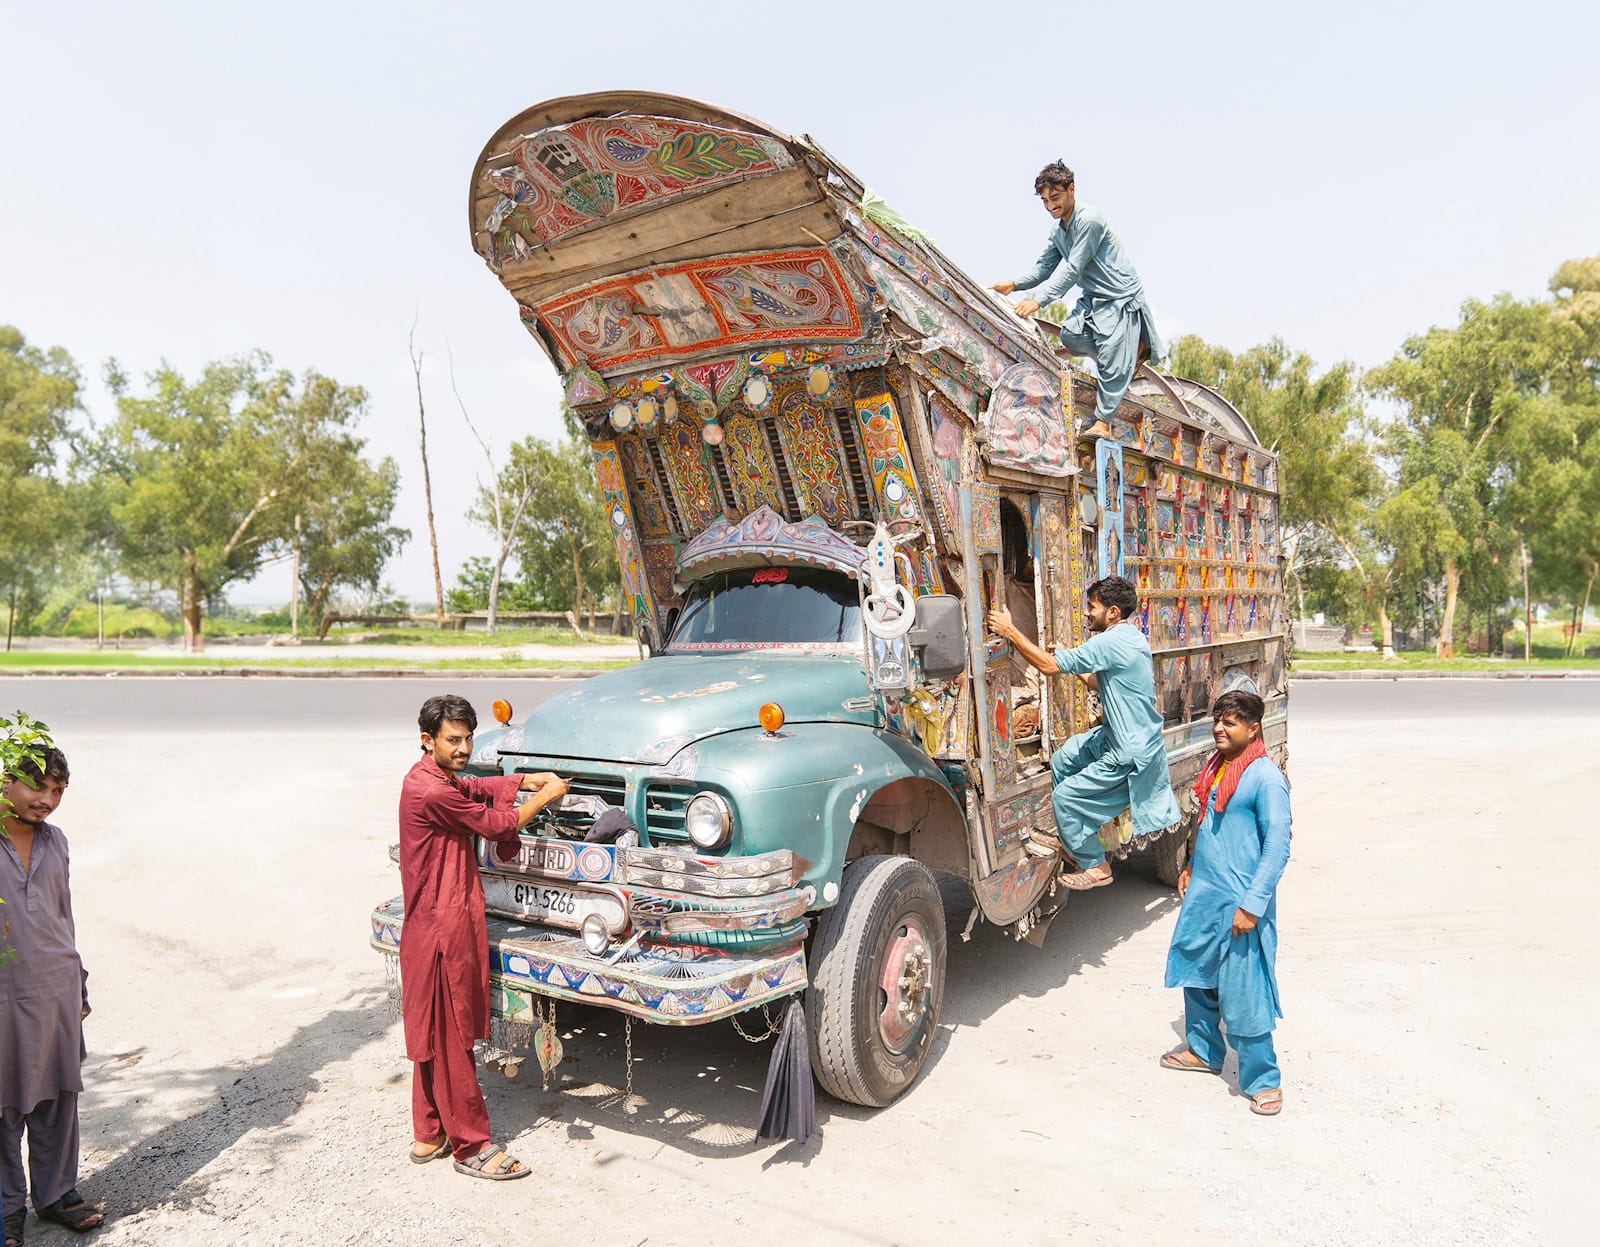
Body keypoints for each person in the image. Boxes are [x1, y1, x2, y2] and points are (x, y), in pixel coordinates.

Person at [399, 694, 568, 1181]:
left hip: (429, 924)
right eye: (454, 740)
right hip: (441, 929)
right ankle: (471, 1146)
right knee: (451, 1037)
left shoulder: (431, 779)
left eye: (469, 738)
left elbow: (474, 786)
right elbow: (498, 822)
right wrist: (541, 797)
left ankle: (429, 1132)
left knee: (433, 1030)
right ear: (427, 741)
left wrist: (519, 780)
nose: (465, 747)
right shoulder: (431, 792)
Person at [987, 575, 1179, 891]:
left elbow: (1048, 667)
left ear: (1113, 612)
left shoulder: (1111, 641)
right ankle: (1072, 839)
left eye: (1092, 607)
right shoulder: (1129, 638)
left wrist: (1009, 631)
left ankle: (1096, 865)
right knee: (1065, 758)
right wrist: (1072, 663)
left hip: (1129, 751)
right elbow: (1101, 682)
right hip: (1115, 736)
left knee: (1065, 797)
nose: (1088, 613)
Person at [1161, 689, 1290, 1116]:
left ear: (1253, 729)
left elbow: (1277, 848)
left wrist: (1252, 905)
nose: (1219, 727)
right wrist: (1191, 864)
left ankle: (1262, 1079)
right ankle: (1204, 1050)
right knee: (1196, 970)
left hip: (1241, 900)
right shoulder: (1217, 768)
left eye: (1230, 722)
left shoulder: (1266, 778)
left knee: (1244, 987)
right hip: (1205, 893)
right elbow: (1208, 821)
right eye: (1217, 719)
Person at [2, 746, 105, 1243]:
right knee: (3, 1100)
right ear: (4, 780)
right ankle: (6, 1208)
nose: (47, 800)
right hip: (4, 991)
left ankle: (55, 1193)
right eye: (35, 785)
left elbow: (61, 914)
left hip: (55, 984)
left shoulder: (56, 841)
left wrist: (78, 978)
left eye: (58, 791)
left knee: (58, 1093)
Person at [990, 160, 1164, 439]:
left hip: (1119, 298)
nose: (1050, 206)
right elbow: (1044, 268)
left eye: (1055, 198)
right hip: (1093, 299)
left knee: (1110, 358)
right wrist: (1014, 284)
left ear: (1071, 189)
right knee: (1070, 336)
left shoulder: (1090, 220)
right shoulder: (1059, 231)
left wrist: (1039, 301)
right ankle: (1122, 352)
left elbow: (1074, 268)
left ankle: (1103, 423)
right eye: (1045, 201)